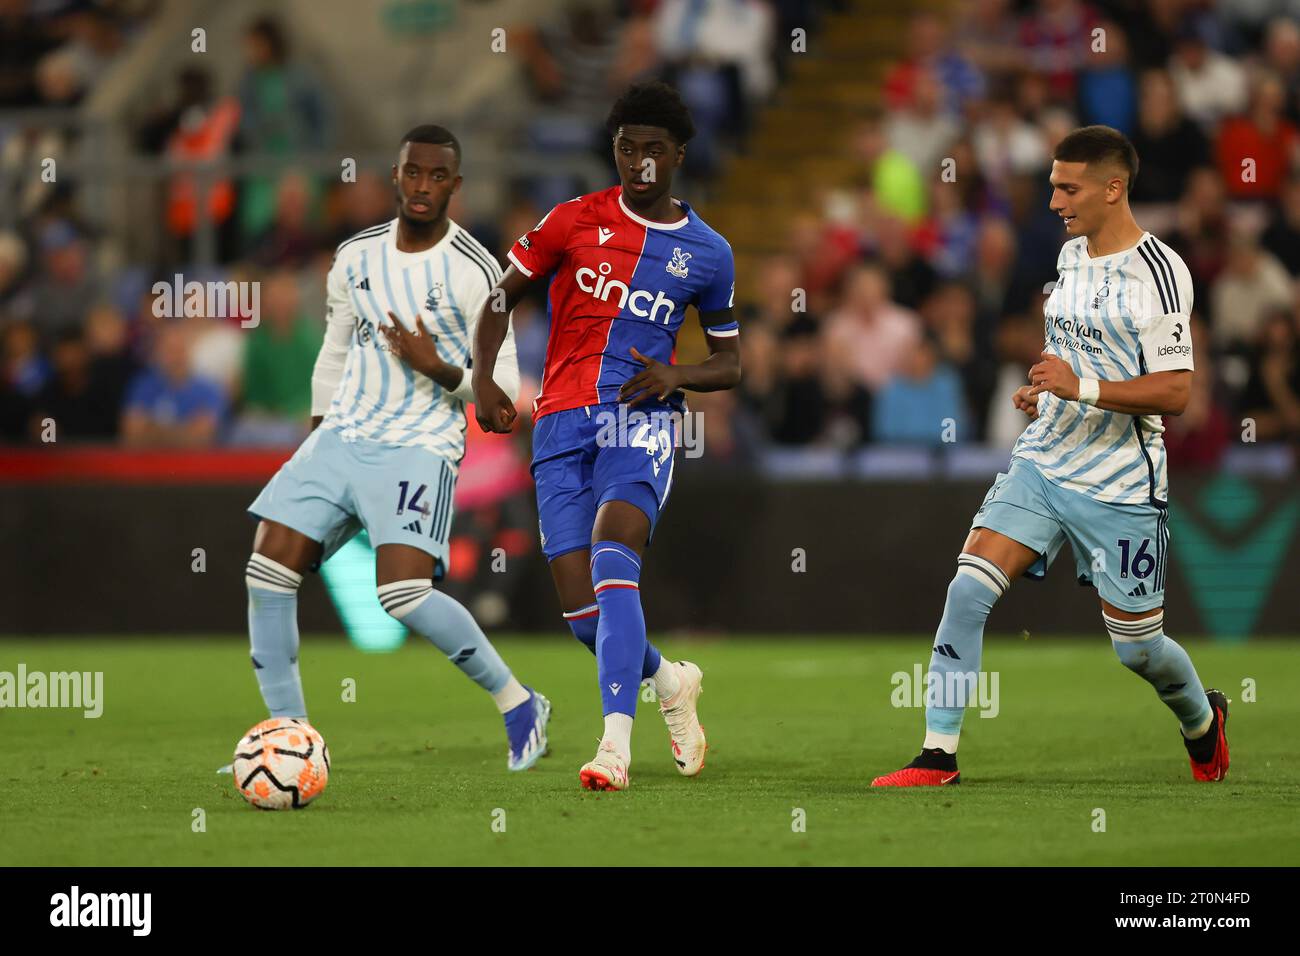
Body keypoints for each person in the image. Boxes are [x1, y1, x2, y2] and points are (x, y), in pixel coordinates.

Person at [873, 126, 1229, 787]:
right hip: (1046, 458)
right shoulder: (1068, 258)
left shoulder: (1161, 270)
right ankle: (937, 755)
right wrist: (1047, 391)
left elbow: (1177, 391)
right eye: (1052, 186)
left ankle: (1201, 720)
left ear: (1112, 187)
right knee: (968, 588)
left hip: (1122, 479)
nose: (1056, 200)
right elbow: (1071, 356)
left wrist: (1082, 389)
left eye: (1068, 187)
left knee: (1139, 650)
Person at [240, 126, 551, 774]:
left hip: (418, 445)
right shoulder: (355, 257)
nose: (423, 186)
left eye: (438, 177)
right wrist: (319, 429)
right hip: (343, 435)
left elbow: (504, 403)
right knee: (267, 570)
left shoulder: (479, 273)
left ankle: (519, 703)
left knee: (403, 595)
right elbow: (332, 349)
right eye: (414, 173)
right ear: (396, 175)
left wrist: (438, 367)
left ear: (455, 187)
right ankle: (287, 740)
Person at [472, 82, 742, 791]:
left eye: (655, 149)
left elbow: (732, 361)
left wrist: (677, 375)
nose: (640, 161)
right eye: (628, 148)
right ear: (615, 151)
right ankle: (669, 680)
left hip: (638, 418)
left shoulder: (709, 253)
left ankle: (614, 748)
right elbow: (500, 296)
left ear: (679, 154)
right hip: (559, 423)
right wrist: (487, 380)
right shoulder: (571, 220)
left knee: (614, 547)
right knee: (586, 619)